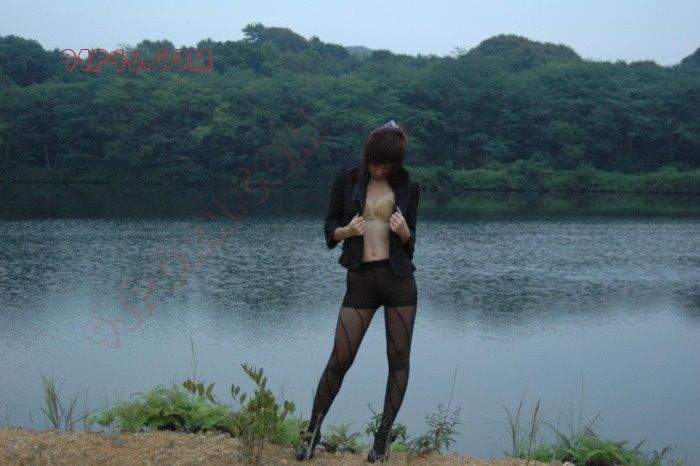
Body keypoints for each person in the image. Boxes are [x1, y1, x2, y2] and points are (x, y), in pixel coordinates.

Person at [295, 120, 421, 462]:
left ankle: (381, 442)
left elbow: (410, 246)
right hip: (361, 281)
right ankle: (311, 435)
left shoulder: (408, 186)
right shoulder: (347, 179)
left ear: (396, 163)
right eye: (376, 162)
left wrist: (405, 232)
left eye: (388, 165)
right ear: (368, 155)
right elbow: (329, 226)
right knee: (339, 360)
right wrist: (346, 231)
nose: (380, 169)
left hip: (399, 282)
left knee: (398, 362)